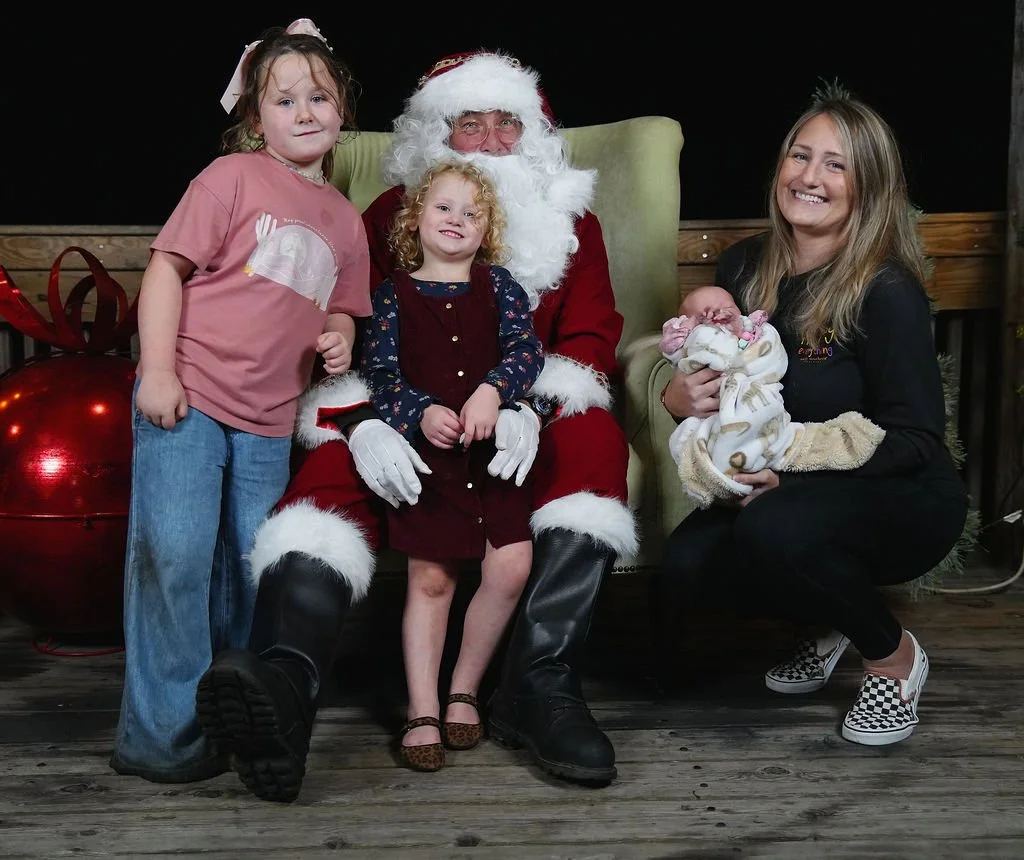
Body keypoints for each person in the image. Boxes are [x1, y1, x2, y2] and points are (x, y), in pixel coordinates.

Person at [197, 50, 635, 802]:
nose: (494, 141)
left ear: (534, 135)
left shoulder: (576, 228)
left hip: (520, 417)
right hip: (402, 415)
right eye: (472, 123)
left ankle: (538, 687)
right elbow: (337, 333)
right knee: (331, 471)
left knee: (595, 439)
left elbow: (587, 342)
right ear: (437, 139)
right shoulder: (380, 221)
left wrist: (529, 405)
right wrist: (362, 420)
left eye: (510, 123)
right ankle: (285, 693)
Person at [654, 84, 968, 746]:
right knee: (689, 566)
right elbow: (712, 363)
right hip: (780, 490)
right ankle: (830, 619)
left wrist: (790, 481)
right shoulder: (743, 264)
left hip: (898, 492)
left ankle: (891, 655)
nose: (811, 177)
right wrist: (676, 395)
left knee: (773, 530)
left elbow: (915, 440)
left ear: (868, 187)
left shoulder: (885, 292)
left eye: (836, 164)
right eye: (802, 155)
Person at [110, 19, 370, 784]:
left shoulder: (346, 223)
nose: (303, 111)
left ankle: (228, 716)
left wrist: (341, 337)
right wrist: (158, 370)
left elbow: (340, 307)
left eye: (318, 96)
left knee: (249, 571)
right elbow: (166, 270)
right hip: (189, 395)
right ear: (257, 119)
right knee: (178, 559)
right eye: (283, 100)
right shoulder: (229, 180)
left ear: (342, 110)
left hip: (267, 421)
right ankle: (162, 740)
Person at [363, 161, 543, 771]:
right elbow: (381, 377)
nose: (457, 220)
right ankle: (422, 707)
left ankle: (465, 687)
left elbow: (526, 351)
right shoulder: (393, 294)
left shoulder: (502, 288)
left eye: (472, 212)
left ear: (487, 227)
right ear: (416, 218)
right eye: (444, 208)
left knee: (512, 566)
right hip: (429, 461)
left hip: (495, 456)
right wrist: (418, 413)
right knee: (431, 580)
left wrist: (496, 391)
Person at [661, 284, 884, 507]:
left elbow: (762, 357)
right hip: (720, 429)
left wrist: (787, 483)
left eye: (726, 307)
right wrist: (672, 400)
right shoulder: (738, 269)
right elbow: (679, 353)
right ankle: (719, 476)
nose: (717, 314)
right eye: (703, 314)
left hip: (815, 479)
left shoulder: (755, 332)